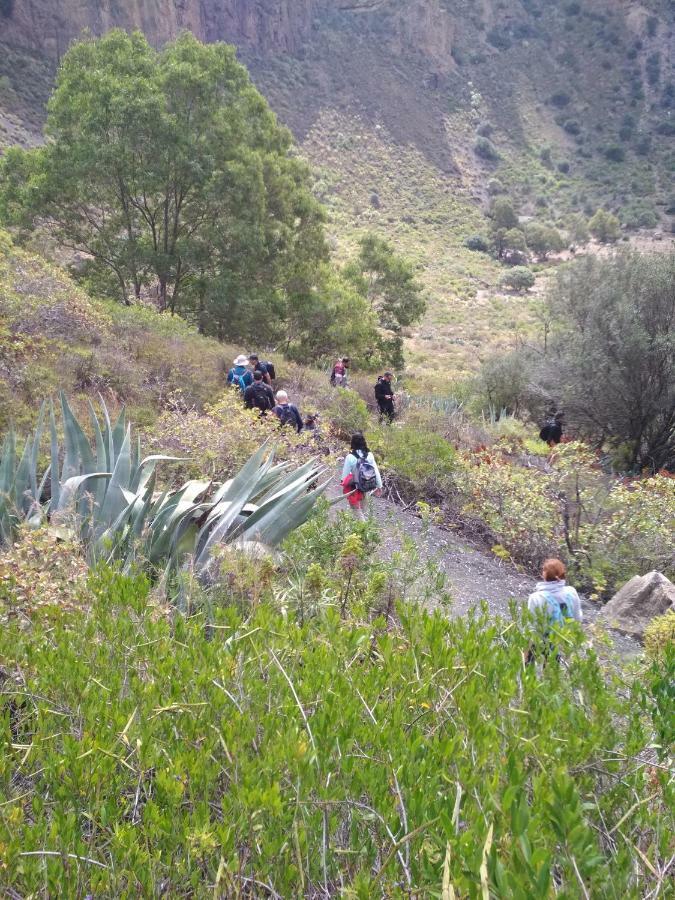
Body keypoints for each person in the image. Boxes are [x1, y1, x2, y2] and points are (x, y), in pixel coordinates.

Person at [526, 558, 582, 664]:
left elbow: (531, 625)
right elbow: (577, 618)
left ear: (545, 574)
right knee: (552, 674)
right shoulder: (571, 592)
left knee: (528, 669)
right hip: (561, 640)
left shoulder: (536, 597)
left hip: (540, 639)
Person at [341, 432, 382, 520]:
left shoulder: (350, 457)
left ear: (352, 443)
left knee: (356, 510)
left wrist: (343, 483)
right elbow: (376, 471)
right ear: (364, 442)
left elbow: (345, 475)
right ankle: (360, 529)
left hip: (354, 487)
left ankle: (363, 528)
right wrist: (379, 486)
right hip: (366, 485)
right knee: (363, 509)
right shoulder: (369, 455)